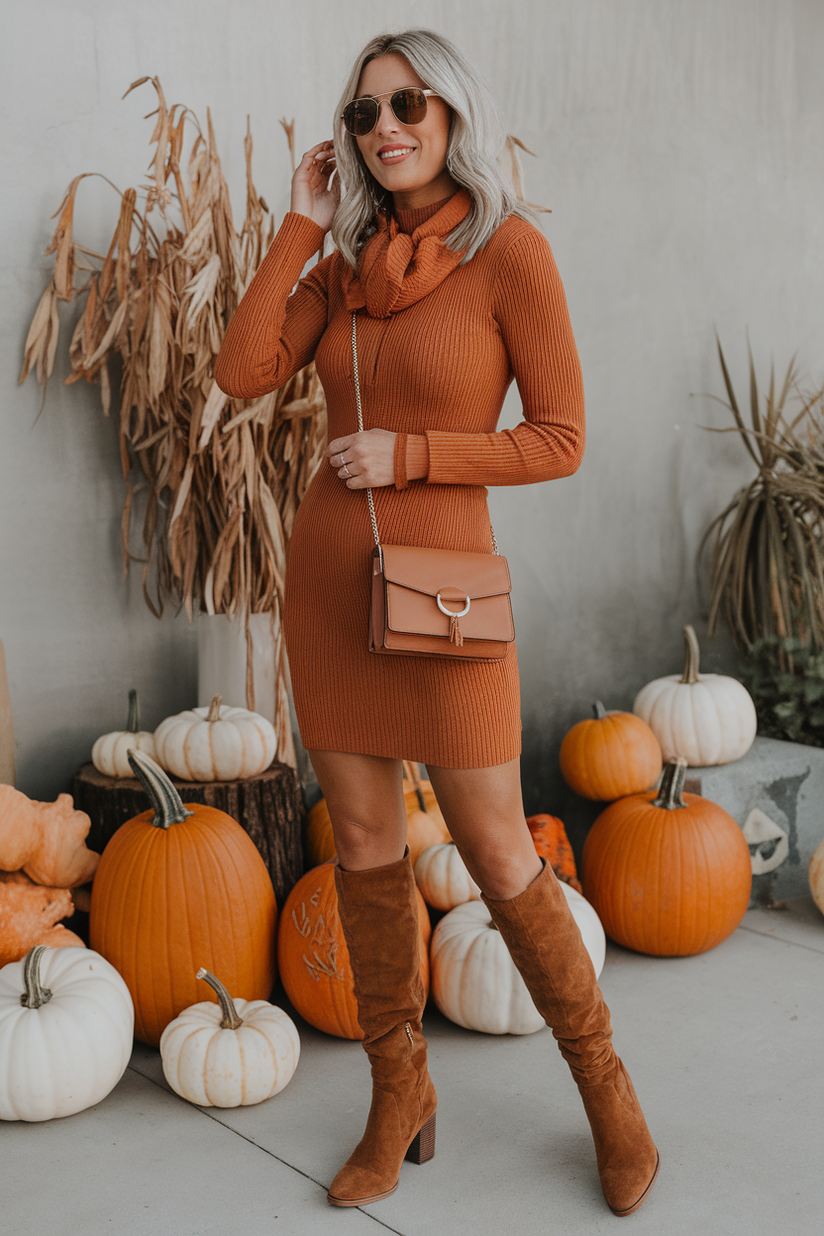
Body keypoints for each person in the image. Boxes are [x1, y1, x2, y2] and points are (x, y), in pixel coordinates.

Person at [215, 28, 659, 1217]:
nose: (385, 127)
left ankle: (611, 1098)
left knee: (502, 855)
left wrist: (412, 452)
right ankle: (396, 1093)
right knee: (361, 848)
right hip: (331, 596)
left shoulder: (510, 254)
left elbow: (558, 439)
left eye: (406, 102)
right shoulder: (346, 261)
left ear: (452, 112)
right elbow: (242, 371)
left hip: (450, 603)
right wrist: (302, 224)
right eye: (362, 114)